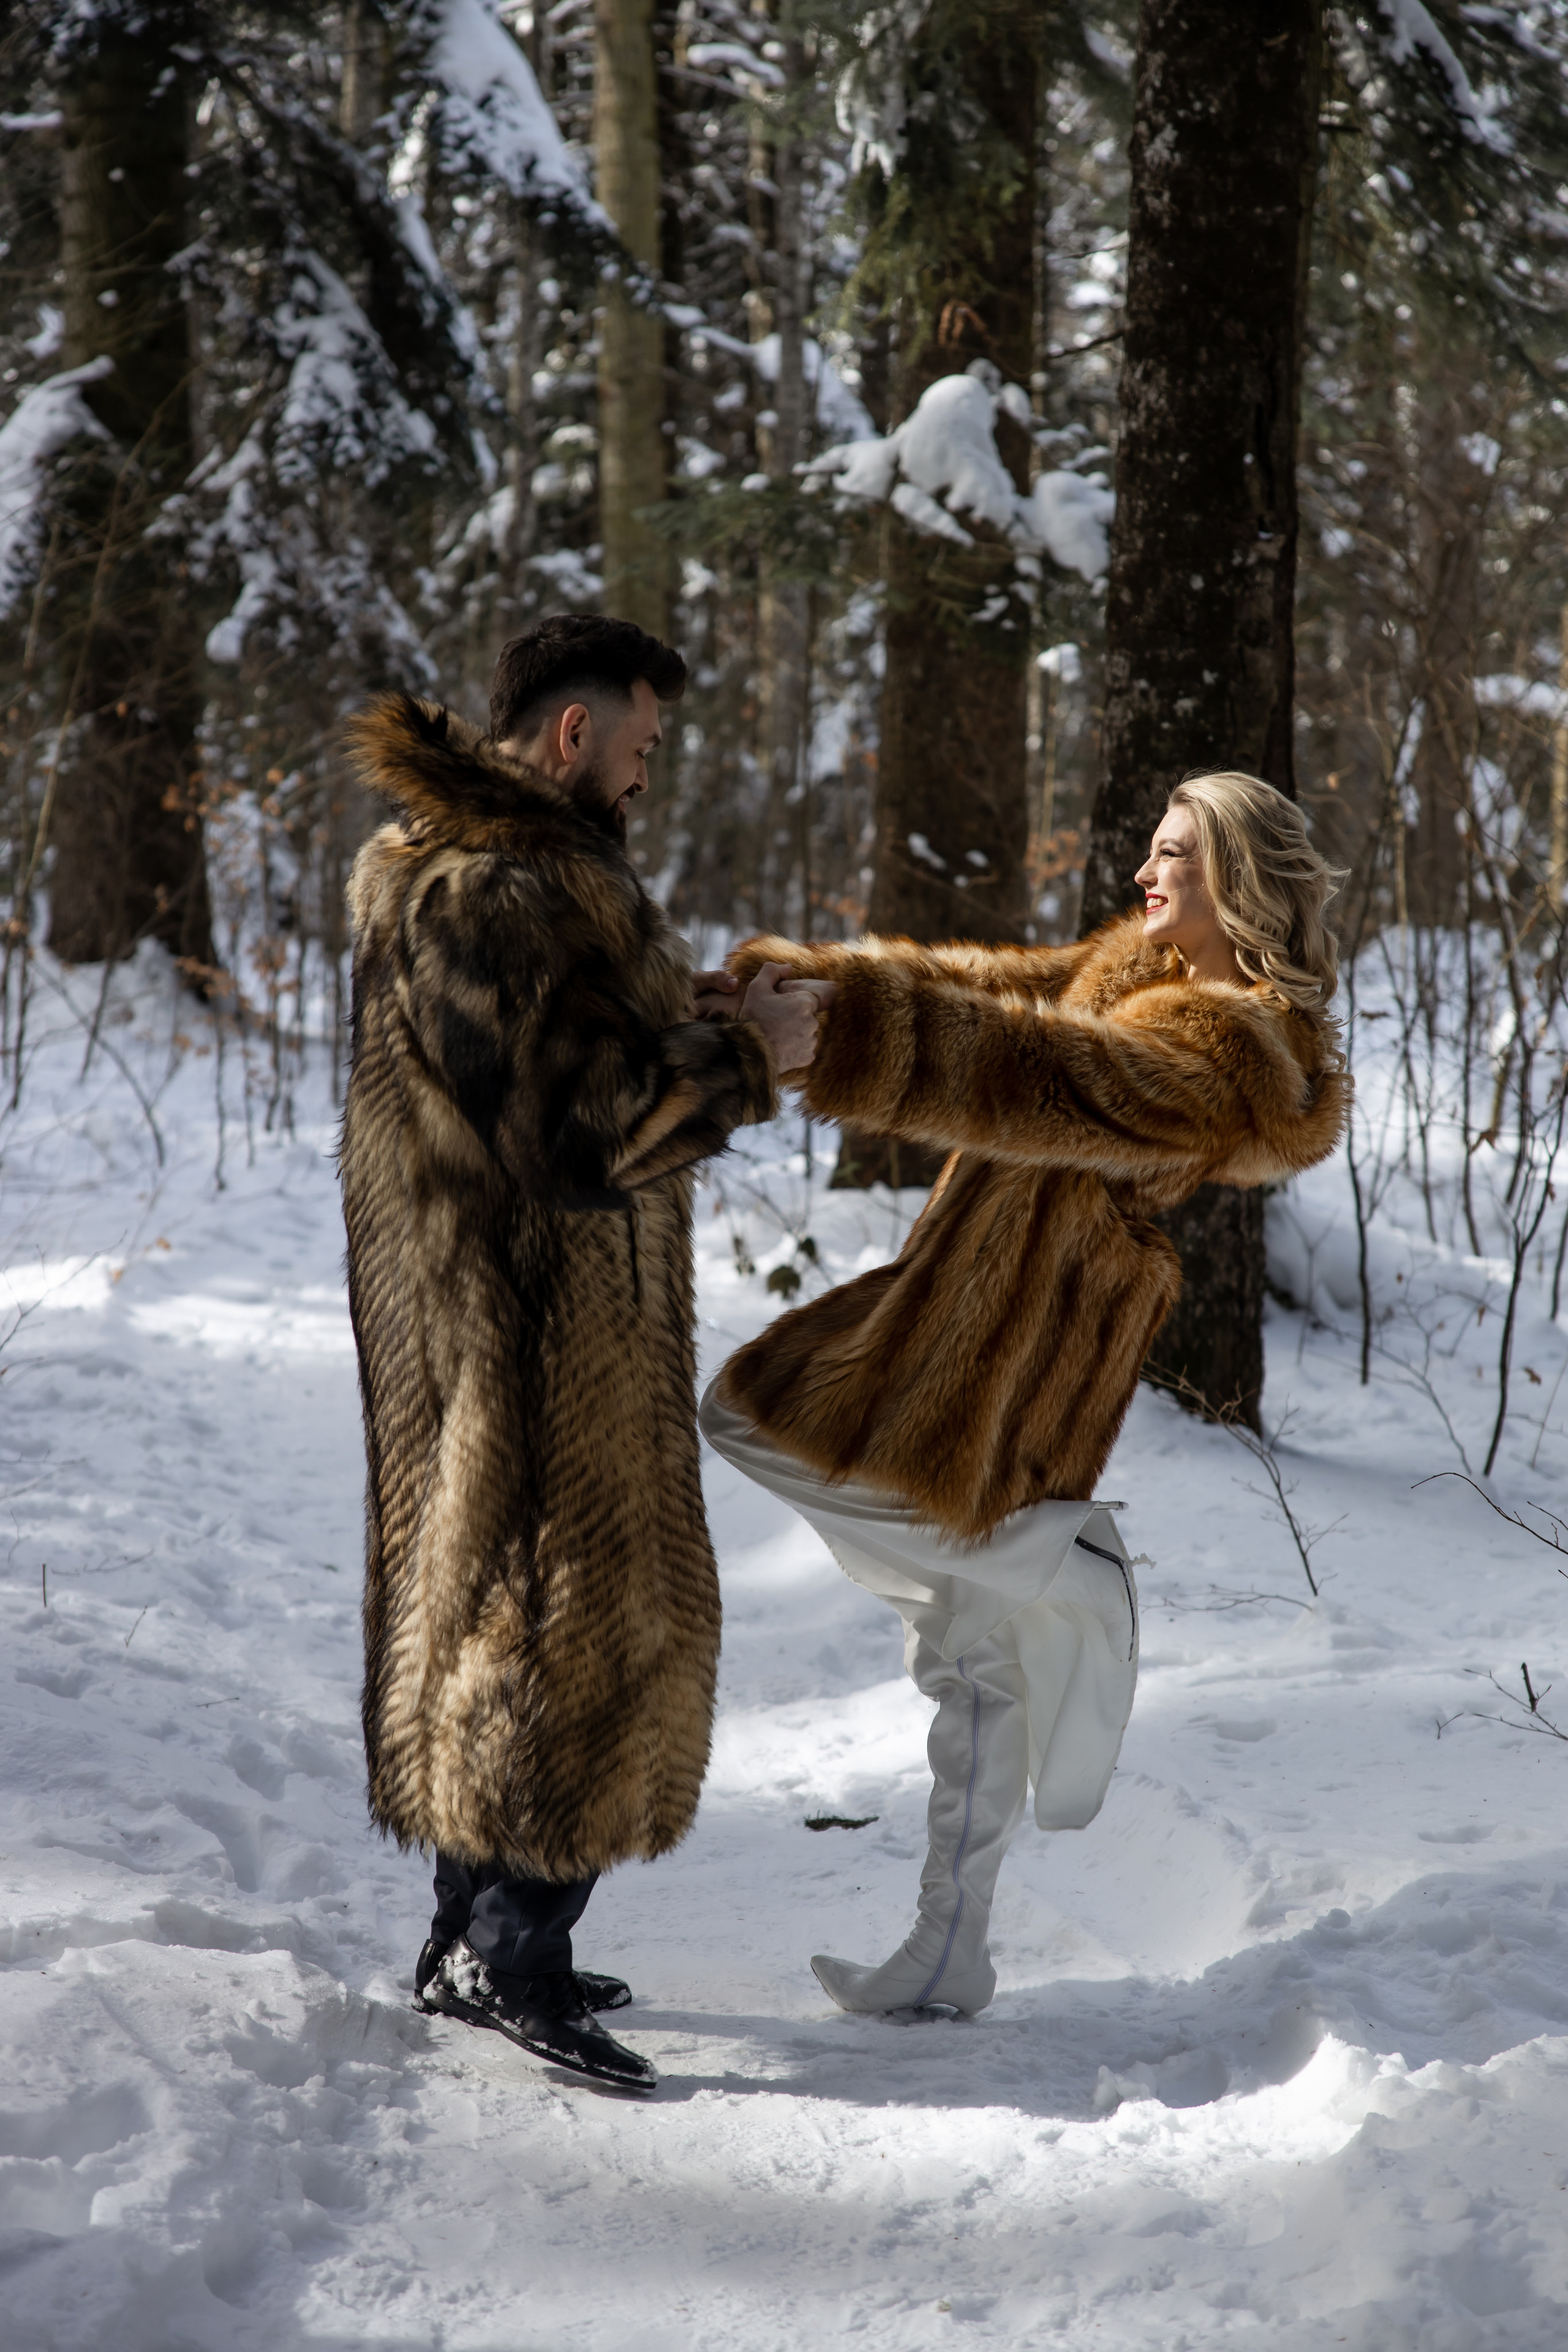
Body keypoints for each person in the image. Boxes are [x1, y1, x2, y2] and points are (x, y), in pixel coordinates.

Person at [696, 771, 1351, 2017]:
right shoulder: (1135, 964)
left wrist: (838, 1044)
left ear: (1241, 885)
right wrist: (805, 992)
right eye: (1151, 853)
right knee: (968, 1659)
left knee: (749, 1419)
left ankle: (1053, 1556)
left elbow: (1037, 1074)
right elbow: (995, 994)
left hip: (1029, 1338)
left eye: (1174, 858)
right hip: (966, 1297)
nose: (1145, 874)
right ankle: (950, 1952)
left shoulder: (1232, 1052)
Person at [339, 615, 821, 2088]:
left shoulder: (469, 869)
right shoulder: (503, 886)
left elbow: (543, 1069)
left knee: (487, 1615)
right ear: (571, 736)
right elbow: (576, 1133)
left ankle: (473, 1932)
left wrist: (680, 1017)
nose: (646, 775)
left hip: (490, 1324)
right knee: (562, 1638)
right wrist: (756, 1062)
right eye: (640, 745)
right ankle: (510, 1952)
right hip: (533, 1344)